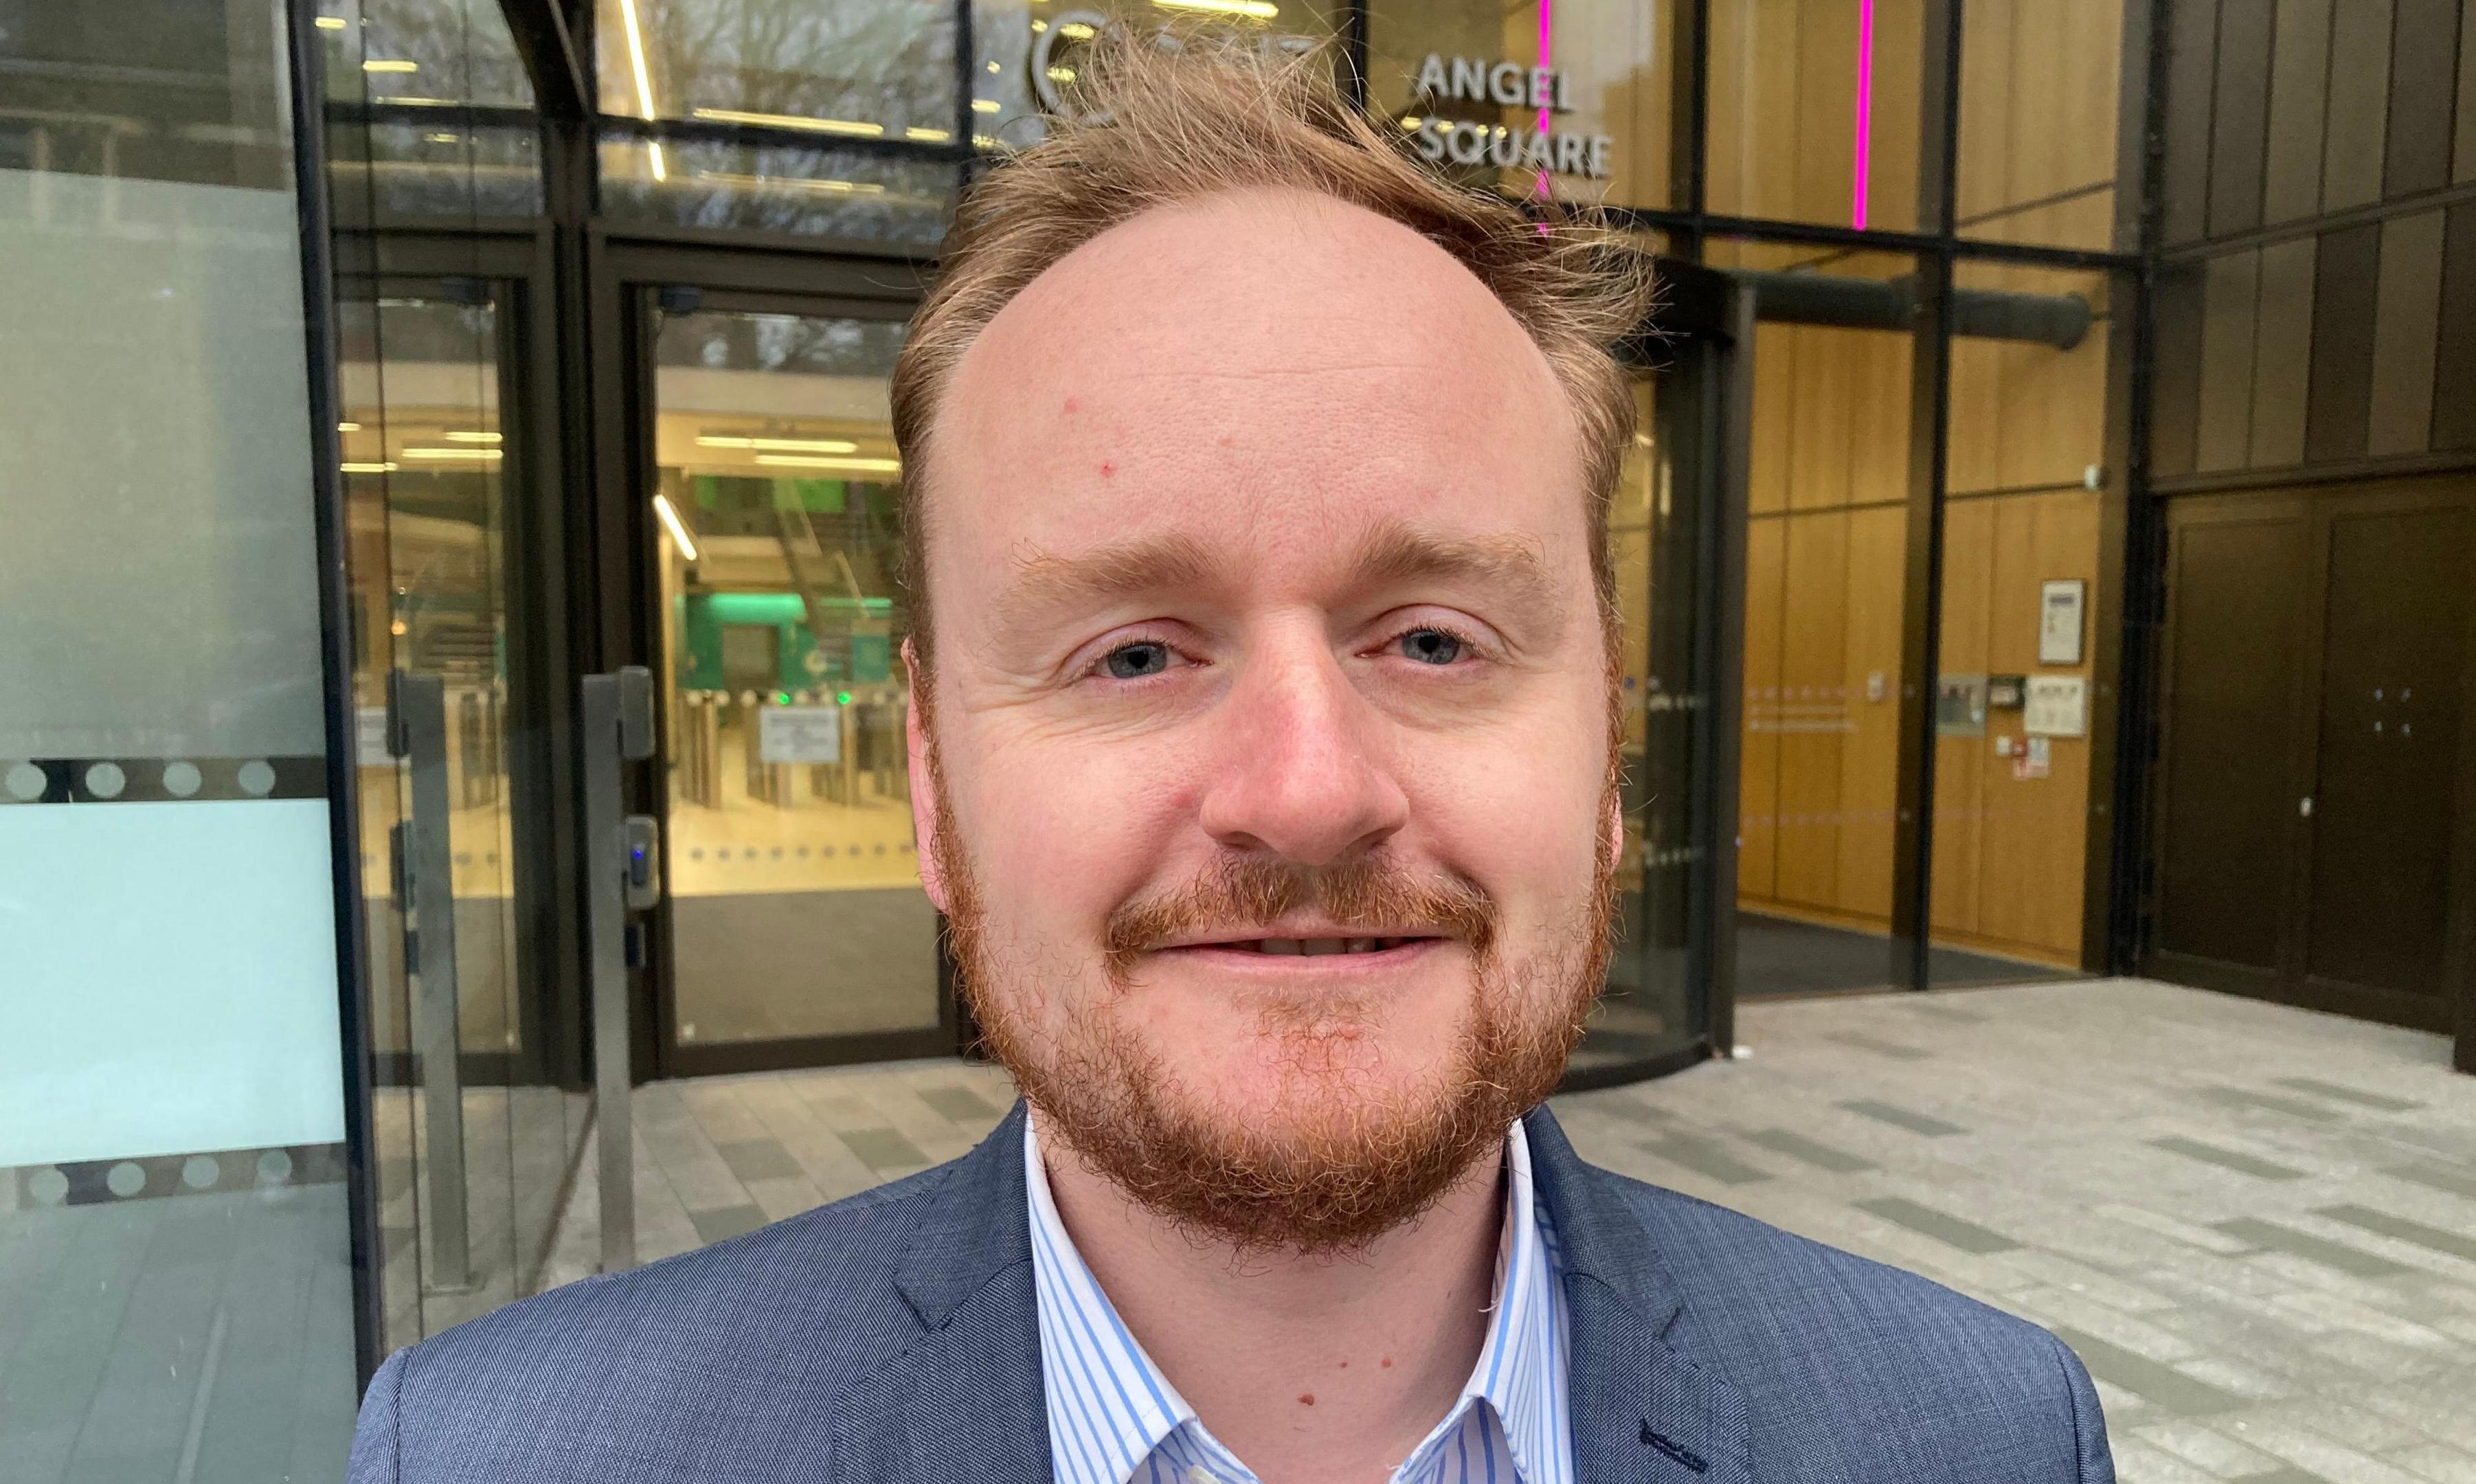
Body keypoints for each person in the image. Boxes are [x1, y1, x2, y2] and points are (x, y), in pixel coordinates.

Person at [346, 30, 2113, 1484]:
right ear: (933, 785)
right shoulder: (511, 1457)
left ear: (1609, 740)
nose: (1306, 786)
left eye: (1432, 637)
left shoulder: (1974, 1439)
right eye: (1132, 651)